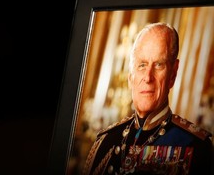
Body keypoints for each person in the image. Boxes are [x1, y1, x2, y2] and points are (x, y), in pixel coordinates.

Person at [82, 22, 213, 175]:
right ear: (131, 76)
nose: (148, 77)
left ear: (173, 74)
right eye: (142, 65)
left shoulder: (196, 146)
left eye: (158, 65)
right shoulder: (105, 142)